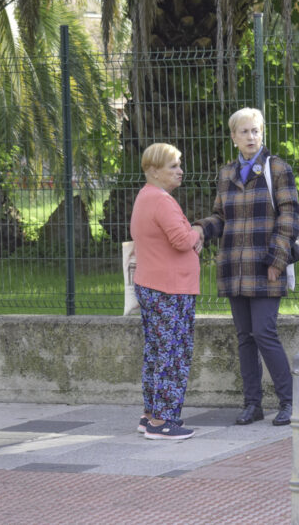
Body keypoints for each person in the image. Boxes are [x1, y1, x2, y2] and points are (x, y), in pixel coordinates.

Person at [192, 107, 299, 427]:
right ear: (233, 137)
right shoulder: (226, 174)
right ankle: (252, 404)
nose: (251, 137)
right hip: (233, 269)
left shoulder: (277, 168)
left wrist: (277, 261)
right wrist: (200, 229)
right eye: (244, 132)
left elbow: (288, 217)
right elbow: (221, 217)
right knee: (244, 336)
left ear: (262, 133)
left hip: (265, 265)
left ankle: (289, 402)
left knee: (264, 332)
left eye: (256, 131)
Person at [130, 143, 203, 440]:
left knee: (156, 351)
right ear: (153, 171)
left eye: (179, 164)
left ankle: (150, 415)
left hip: (153, 284)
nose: (180, 171)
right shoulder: (161, 201)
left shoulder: (145, 197)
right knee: (173, 353)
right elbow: (182, 240)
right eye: (173, 166)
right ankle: (163, 421)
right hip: (170, 289)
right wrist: (197, 232)